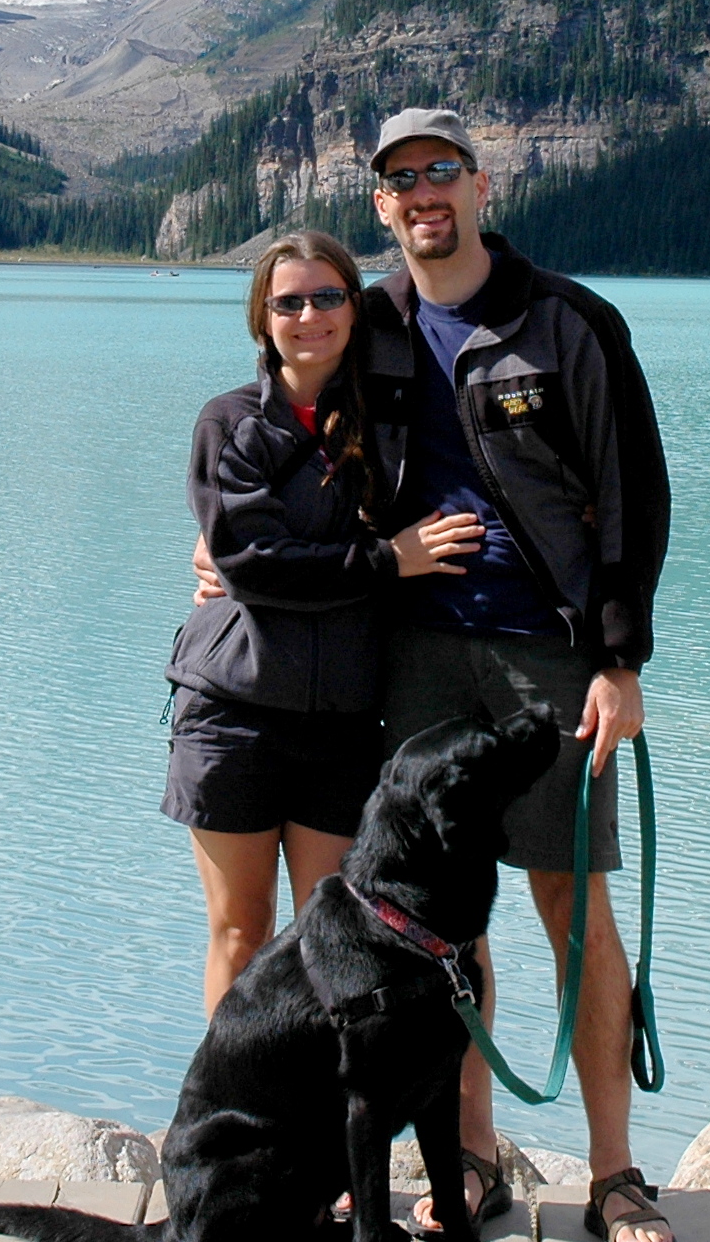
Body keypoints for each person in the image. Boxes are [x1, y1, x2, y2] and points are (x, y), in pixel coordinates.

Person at [196, 112, 674, 1242]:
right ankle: (466, 1154)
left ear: (479, 184)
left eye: (440, 172)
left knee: (571, 906)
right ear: (380, 204)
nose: (423, 193)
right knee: (434, 927)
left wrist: (619, 658)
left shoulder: (568, 321)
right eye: (400, 178)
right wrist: (222, 541)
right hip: (406, 653)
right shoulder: (371, 322)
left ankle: (614, 1175)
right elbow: (283, 421)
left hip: (547, 651)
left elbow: (634, 493)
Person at [164, 229, 487, 1013]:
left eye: (327, 296)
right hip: (231, 714)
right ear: (261, 317)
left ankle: (325, 1095)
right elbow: (255, 566)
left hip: (342, 724)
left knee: (335, 941)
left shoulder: (392, 425)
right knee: (240, 932)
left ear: (353, 307)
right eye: (288, 302)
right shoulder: (229, 423)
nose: (309, 315)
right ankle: (236, 1092)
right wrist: (386, 561)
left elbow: (480, 489)